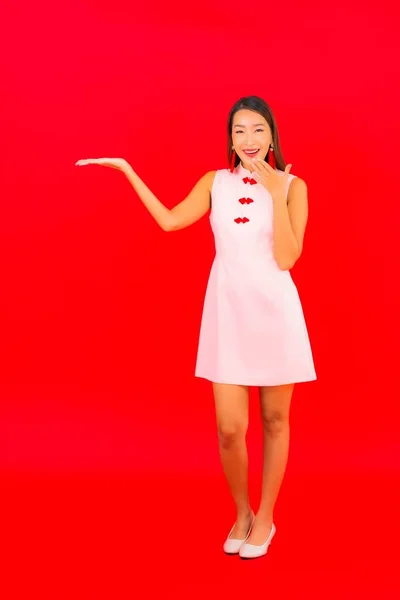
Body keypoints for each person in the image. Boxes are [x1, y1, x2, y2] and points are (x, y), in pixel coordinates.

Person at [75, 95, 317, 560]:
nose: (249, 140)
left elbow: (287, 258)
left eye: (258, 130)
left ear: (272, 136)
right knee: (229, 428)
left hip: (275, 314)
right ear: (230, 137)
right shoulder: (215, 183)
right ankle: (242, 512)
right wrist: (127, 169)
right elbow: (169, 222)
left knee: (275, 420)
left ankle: (266, 518)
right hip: (227, 314)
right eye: (240, 130)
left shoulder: (293, 185)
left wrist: (274, 193)